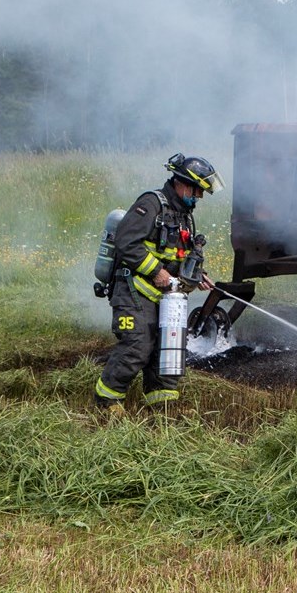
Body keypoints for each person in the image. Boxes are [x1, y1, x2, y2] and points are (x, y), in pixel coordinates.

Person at [94, 153, 222, 414]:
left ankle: (162, 404)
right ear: (183, 183)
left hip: (165, 297)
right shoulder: (151, 204)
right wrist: (156, 272)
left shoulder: (183, 214)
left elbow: (178, 254)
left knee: (168, 348)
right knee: (137, 345)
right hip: (134, 290)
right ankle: (107, 401)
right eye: (197, 190)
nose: (198, 197)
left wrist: (197, 274)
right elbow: (126, 243)